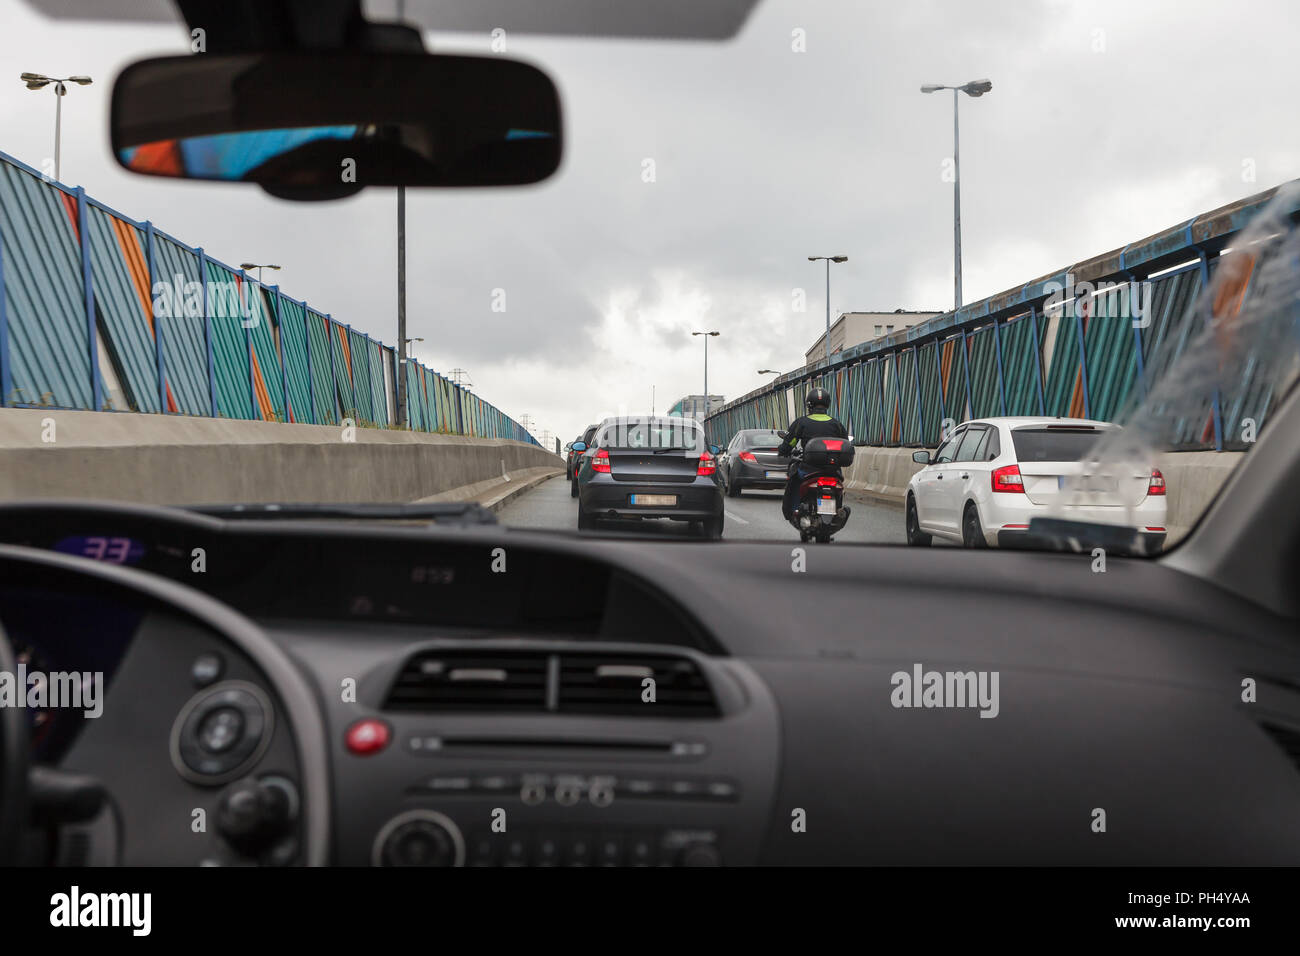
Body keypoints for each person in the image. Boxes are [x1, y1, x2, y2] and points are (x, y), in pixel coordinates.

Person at [778, 387, 849, 524]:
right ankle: (838, 508)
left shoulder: (802, 423)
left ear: (809, 404)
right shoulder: (836, 424)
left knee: (793, 481)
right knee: (839, 483)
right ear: (828, 404)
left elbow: (790, 443)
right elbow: (845, 442)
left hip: (808, 469)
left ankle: (793, 511)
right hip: (832, 470)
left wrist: (784, 450)